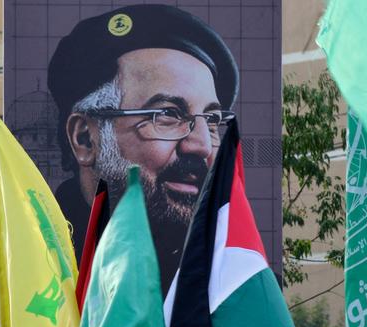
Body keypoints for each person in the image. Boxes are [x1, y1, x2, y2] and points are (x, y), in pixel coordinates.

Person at [49, 4, 239, 295]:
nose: (201, 146)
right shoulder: (41, 268)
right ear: (85, 139)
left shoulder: (238, 286)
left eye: (212, 121)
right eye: (168, 114)